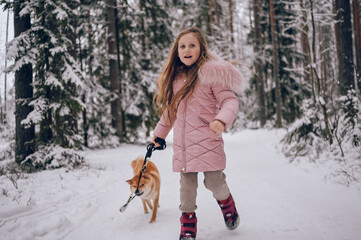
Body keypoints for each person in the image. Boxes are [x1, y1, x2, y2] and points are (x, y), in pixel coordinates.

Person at [152, 27, 243, 240]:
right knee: (187, 190)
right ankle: (188, 226)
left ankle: (228, 205)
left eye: (192, 45)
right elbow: (171, 111)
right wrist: (159, 135)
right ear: (177, 51)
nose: (187, 49)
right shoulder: (176, 79)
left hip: (208, 141)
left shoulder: (211, 75)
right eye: (182, 46)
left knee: (214, 183)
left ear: (201, 48)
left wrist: (221, 119)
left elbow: (230, 100)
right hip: (184, 146)